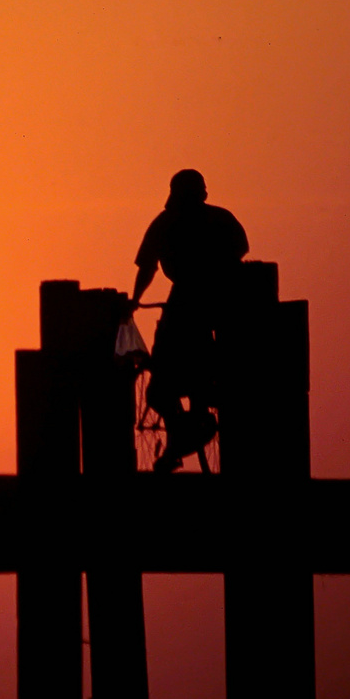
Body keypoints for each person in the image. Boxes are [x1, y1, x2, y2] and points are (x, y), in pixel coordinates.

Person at [129, 169, 249, 472]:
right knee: (200, 380)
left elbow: (147, 267)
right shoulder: (222, 219)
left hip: (185, 303)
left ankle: (182, 436)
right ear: (202, 193)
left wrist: (134, 300)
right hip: (222, 302)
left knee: (160, 388)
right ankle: (185, 435)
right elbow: (240, 254)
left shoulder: (166, 222)